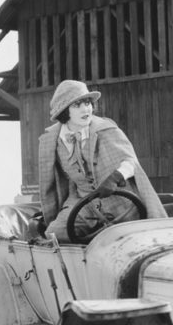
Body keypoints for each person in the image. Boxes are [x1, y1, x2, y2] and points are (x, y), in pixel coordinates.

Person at [38, 79, 166, 242]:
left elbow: (131, 162)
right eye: (77, 105)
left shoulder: (106, 129)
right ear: (64, 111)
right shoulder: (52, 141)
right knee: (54, 235)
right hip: (82, 203)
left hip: (120, 203)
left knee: (131, 241)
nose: (86, 109)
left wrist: (115, 178)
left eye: (87, 103)